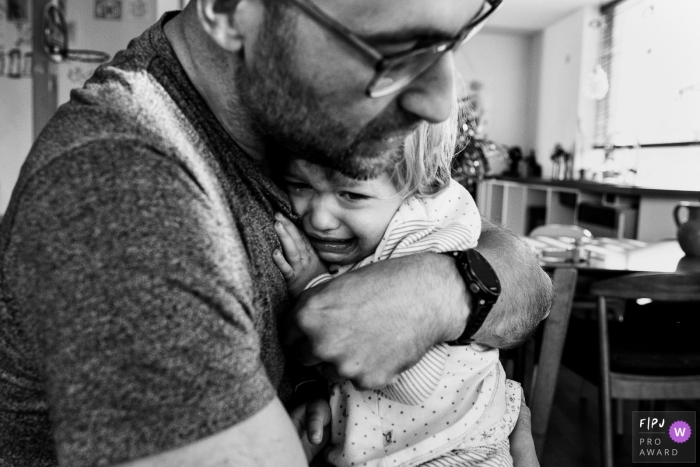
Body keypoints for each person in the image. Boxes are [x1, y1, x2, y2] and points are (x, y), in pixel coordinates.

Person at [0, 1, 551, 466]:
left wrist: (448, 287)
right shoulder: (127, 194)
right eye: (396, 50)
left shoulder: (300, 127)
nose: (439, 101)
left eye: (458, 38)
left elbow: (527, 279)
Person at [272, 111, 544, 466]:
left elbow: (407, 381)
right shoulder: (369, 230)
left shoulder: (424, 241)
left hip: (456, 451)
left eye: (352, 194)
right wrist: (315, 392)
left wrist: (315, 286)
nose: (319, 218)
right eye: (300, 185)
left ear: (418, 189)